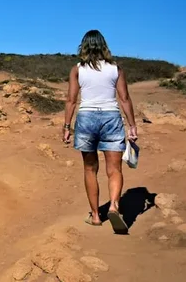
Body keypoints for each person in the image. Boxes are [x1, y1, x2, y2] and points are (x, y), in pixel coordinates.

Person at [63, 30, 138, 234]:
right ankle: (114, 205)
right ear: (104, 45)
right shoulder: (115, 69)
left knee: (90, 169)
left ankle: (96, 216)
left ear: (84, 46)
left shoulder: (77, 70)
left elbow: (71, 100)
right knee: (114, 169)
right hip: (111, 118)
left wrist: (66, 127)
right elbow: (124, 99)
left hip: (86, 118)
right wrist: (132, 125)